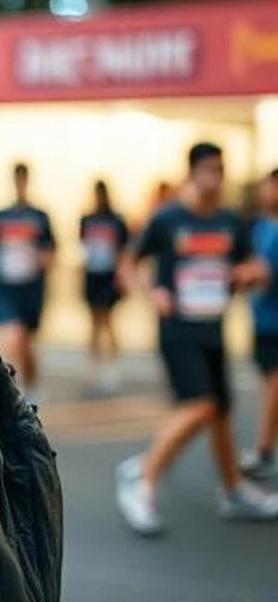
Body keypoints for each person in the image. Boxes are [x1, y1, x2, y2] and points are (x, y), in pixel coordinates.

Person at [116, 142, 278, 536]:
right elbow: (128, 263)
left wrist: (250, 274)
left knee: (220, 410)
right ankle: (143, 475)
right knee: (202, 405)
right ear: (192, 172)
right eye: (209, 170)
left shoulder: (229, 221)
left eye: (221, 170)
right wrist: (149, 292)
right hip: (178, 331)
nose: (216, 178)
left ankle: (234, 490)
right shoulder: (168, 219)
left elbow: (255, 264)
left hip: (213, 329)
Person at [0, 162, 55, 403]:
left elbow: (51, 251)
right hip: (5, 288)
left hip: (31, 289)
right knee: (13, 336)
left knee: (27, 342)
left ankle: (32, 383)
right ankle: (12, 391)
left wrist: (39, 258)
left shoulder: (40, 217)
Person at [242, 167, 278, 481]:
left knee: (274, 388)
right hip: (264, 321)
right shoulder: (261, 228)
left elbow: (261, 272)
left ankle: (264, 450)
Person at [80, 180, 130, 396]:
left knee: (108, 321)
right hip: (92, 275)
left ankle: (112, 366)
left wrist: (123, 276)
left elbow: (124, 249)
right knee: (93, 322)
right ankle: (94, 365)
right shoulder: (87, 220)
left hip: (109, 276)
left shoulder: (116, 221)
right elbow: (83, 247)